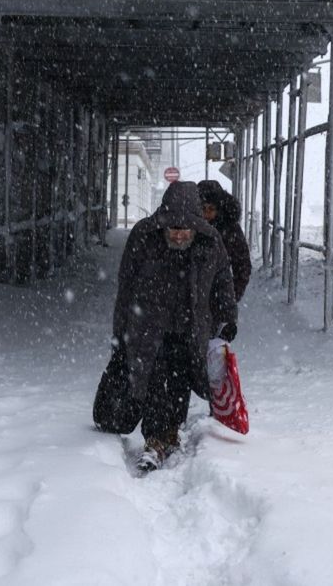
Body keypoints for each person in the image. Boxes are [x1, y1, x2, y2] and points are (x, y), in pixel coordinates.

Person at [93, 181, 238, 471]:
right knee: (142, 388)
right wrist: (120, 332)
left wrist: (227, 319)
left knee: (178, 386)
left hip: (189, 330)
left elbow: (223, 283)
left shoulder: (211, 244)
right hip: (148, 328)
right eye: (173, 228)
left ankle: (160, 440)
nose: (180, 234)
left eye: (186, 229)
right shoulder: (144, 237)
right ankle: (154, 436)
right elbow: (127, 287)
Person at [197, 180, 252, 302]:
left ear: (219, 209)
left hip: (218, 298)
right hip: (189, 300)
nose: (206, 214)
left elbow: (242, 265)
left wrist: (230, 296)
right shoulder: (188, 227)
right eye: (203, 208)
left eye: (211, 209)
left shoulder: (230, 229)